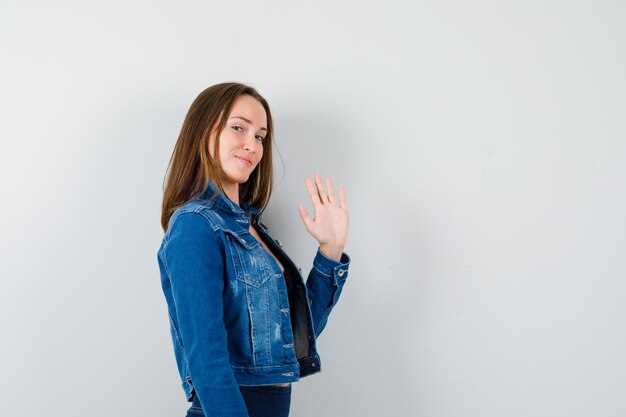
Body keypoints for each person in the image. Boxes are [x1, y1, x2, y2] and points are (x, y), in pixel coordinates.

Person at [157, 82, 351, 417]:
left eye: (260, 136)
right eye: (238, 128)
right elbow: (207, 359)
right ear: (204, 132)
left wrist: (330, 251)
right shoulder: (195, 225)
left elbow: (292, 340)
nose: (252, 145)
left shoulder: (254, 230)